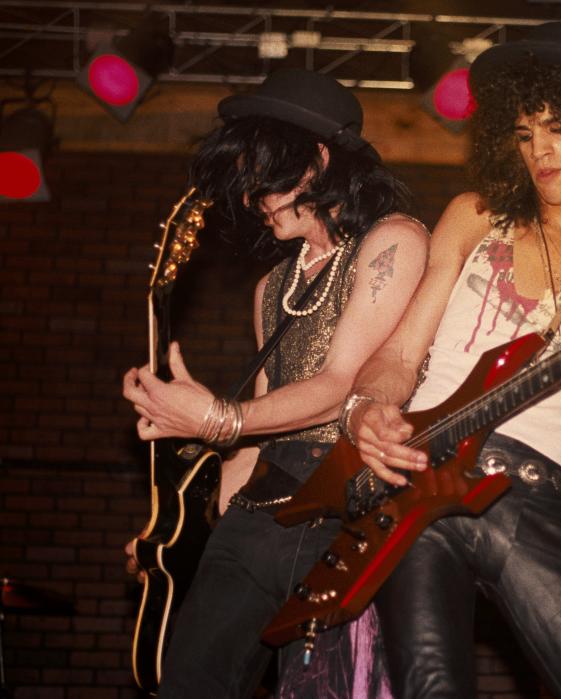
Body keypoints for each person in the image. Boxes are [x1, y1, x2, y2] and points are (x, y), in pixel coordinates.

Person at [342, 21, 561, 699]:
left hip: (529, 494)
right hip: (418, 483)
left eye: (558, 128)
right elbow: (401, 353)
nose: (540, 150)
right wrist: (366, 410)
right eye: (526, 132)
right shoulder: (475, 214)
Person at [121, 68, 427, 697]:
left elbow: (343, 382)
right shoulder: (271, 289)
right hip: (261, 511)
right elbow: (260, 427)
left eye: (264, 171)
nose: (252, 193)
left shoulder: (393, 240)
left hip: (348, 505)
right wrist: (189, 540)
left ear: (317, 160)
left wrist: (215, 419)